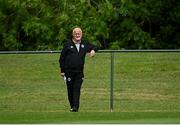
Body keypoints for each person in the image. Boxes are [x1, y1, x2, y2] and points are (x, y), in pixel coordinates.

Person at [59, 27, 97, 112]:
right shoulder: (67, 44)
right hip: (69, 72)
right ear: (73, 35)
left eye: (79, 32)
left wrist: (93, 50)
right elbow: (62, 58)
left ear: (81, 34)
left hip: (79, 72)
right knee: (70, 90)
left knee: (77, 89)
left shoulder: (85, 43)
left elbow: (95, 46)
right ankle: (72, 106)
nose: (77, 34)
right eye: (75, 33)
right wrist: (62, 70)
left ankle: (75, 107)